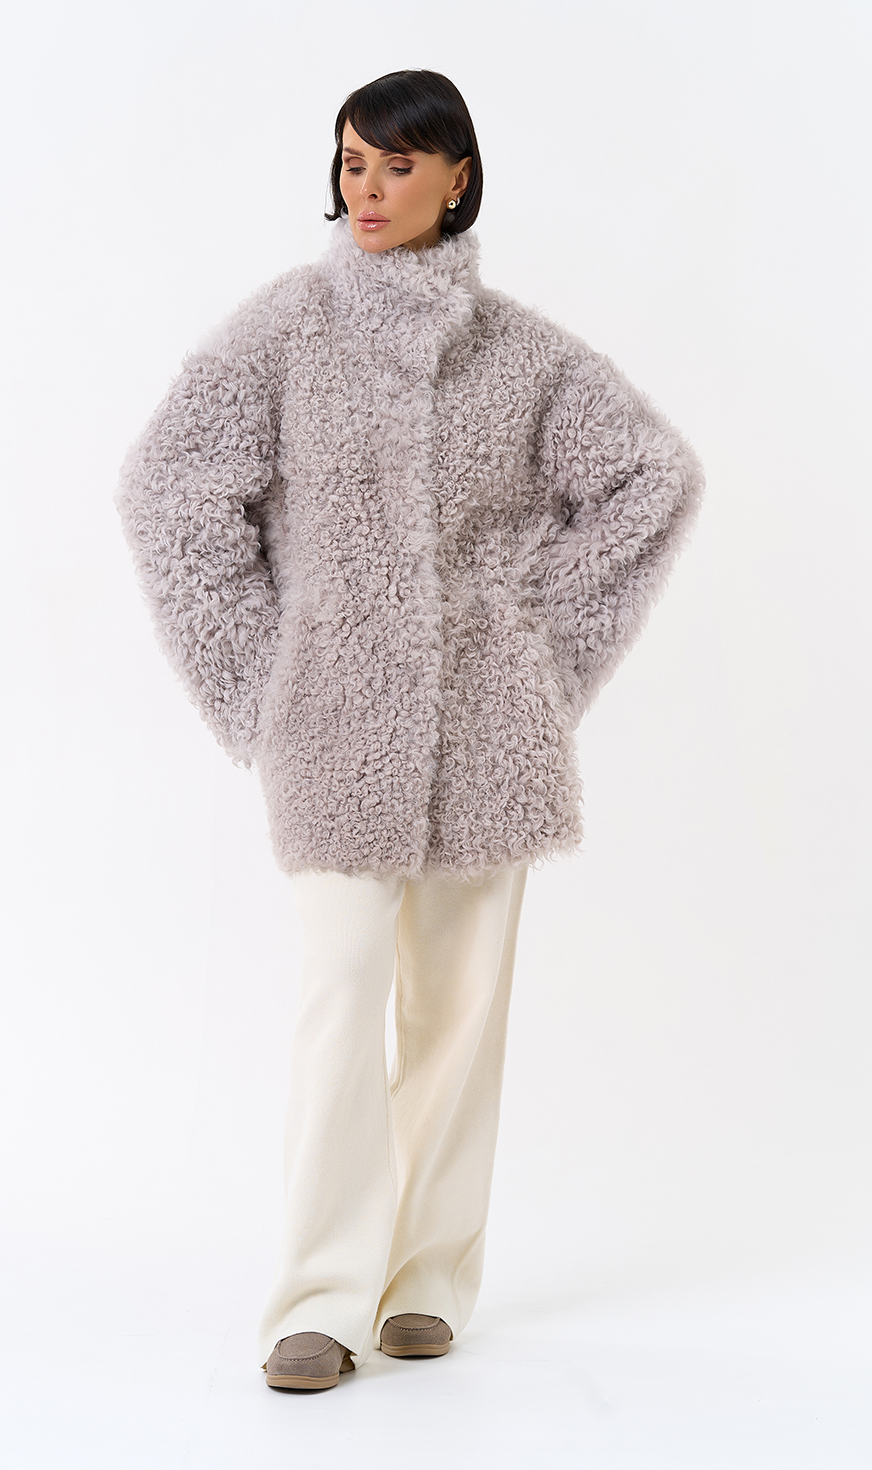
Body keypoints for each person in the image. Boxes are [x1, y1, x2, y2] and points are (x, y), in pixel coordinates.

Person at [116, 68, 705, 1392]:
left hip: (488, 736)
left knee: (460, 1011)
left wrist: (539, 652)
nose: (368, 189)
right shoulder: (285, 329)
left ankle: (427, 1278)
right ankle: (319, 1299)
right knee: (340, 996)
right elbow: (168, 489)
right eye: (351, 163)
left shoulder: (526, 354)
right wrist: (261, 677)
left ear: (457, 176)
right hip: (332, 731)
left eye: (395, 163)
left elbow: (650, 477)